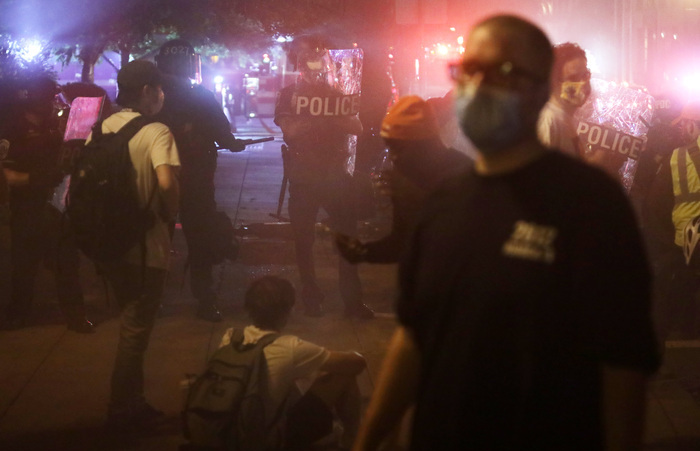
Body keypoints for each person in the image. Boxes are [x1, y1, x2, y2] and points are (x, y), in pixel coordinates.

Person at [353, 15, 659, 451]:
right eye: (467, 72)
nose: (475, 89)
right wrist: (368, 438)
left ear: (537, 88)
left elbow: (622, 367)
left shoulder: (594, 206)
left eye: (497, 75)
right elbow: (415, 335)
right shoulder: (444, 200)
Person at [98, 60, 180, 431]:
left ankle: (131, 401)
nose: (162, 95)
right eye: (159, 89)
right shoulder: (156, 131)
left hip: (110, 244)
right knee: (135, 331)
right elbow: (166, 182)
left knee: (129, 324)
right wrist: (171, 216)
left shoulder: (102, 128)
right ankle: (123, 409)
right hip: (147, 247)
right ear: (147, 91)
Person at [274, 44, 373, 318]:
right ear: (302, 69)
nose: (316, 74)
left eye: (320, 67)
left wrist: (328, 113)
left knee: (347, 240)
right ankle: (311, 298)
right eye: (310, 67)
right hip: (304, 176)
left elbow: (357, 127)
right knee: (303, 242)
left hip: (335, 176)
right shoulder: (289, 95)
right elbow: (289, 131)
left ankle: (352, 302)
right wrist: (320, 116)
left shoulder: (336, 93)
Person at [155, 39, 245, 323]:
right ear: (191, 64)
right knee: (199, 239)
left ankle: (152, 299)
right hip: (196, 180)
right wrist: (234, 144)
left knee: (157, 239)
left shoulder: (154, 97)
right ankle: (204, 299)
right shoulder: (201, 95)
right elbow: (224, 135)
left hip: (159, 179)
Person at [219, 275, 366, 449]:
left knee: (294, 377)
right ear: (287, 311)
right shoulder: (288, 347)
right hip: (268, 441)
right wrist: (324, 359)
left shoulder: (230, 337)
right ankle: (354, 444)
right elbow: (357, 363)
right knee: (342, 376)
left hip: (229, 434)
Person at [0, 76, 94, 333]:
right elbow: (7, 176)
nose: (54, 103)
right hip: (27, 210)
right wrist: (39, 180)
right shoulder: (13, 130)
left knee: (67, 265)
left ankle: (76, 317)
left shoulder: (57, 128)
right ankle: (17, 315)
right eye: (50, 98)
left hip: (57, 208)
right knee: (23, 267)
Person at [336, 95, 470, 264]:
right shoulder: (405, 178)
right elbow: (402, 243)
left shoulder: (463, 175)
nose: (394, 157)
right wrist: (363, 252)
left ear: (424, 145)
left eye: (399, 148)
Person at [646, 100, 700, 341]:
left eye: (685, 123)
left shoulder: (677, 158)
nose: (682, 129)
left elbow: (656, 205)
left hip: (686, 241)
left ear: (692, 125)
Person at [537, 42, 591, 157]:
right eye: (573, 78)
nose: (583, 83)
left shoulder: (564, 118)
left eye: (585, 75)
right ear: (554, 82)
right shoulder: (548, 121)